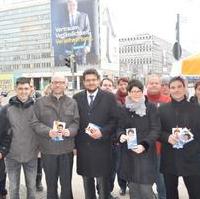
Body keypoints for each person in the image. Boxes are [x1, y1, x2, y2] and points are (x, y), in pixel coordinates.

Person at [31, 73, 79, 199]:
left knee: (66, 185)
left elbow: (76, 122)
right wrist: (48, 131)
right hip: (48, 150)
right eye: (55, 82)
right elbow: (35, 123)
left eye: (61, 82)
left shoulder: (72, 102)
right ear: (51, 84)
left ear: (65, 85)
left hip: (66, 150)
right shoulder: (40, 103)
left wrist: (70, 131)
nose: (58, 85)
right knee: (51, 185)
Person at [73, 69, 117, 199]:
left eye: (93, 80)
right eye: (88, 80)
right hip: (84, 147)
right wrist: (74, 145)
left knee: (103, 183)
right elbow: (74, 121)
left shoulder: (109, 97)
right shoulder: (77, 98)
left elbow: (114, 120)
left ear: (98, 80)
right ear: (83, 82)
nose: (91, 82)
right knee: (87, 182)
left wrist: (102, 132)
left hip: (102, 146)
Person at [158, 76, 200, 199]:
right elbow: (157, 131)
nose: (176, 90)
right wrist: (167, 137)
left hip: (192, 158)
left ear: (185, 88)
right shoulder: (162, 110)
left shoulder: (196, 109)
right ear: (169, 90)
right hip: (170, 156)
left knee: (196, 193)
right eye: (173, 87)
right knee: (170, 194)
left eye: (179, 87)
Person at [118, 79, 160, 199]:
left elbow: (155, 129)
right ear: (129, 93)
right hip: (129, 154)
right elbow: (119, 127)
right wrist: (121, 135)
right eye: (133, 91)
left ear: (143, 92)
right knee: (134, 190)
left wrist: (144, 145)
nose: (136, 93)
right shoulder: (124, 109)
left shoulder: (150, 107)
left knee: (146, 190)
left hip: (145, 153)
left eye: (139, 91)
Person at [2, 77, 39, 199]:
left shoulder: (37, 108)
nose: (23, 91)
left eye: (26, 88)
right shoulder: (6, 109)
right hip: (12, 156)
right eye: (20, 89)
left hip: (31, 156)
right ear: (15, 90)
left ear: (31, 89)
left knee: (32, 188)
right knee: (13, 189)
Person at [146, 74, 171, 199]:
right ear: (147, 85)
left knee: (161, 178)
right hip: (144, 146)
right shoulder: (141, 99)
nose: (154, 85)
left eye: (156, 83)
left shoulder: (167, 100)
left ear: (161, 85)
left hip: (161, 147)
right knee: (144, 179)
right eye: (151, 83)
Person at [54, 0, 92, 66]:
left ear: (77, 6)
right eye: (70, 5)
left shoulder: (83, 16)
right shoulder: (62, 18)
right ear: (67, 6)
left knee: (81, 72)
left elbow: (88, 32)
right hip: (67, 52)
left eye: (73, 5)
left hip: (81, 50)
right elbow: (57, 34)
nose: (72, 7)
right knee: (68, 71)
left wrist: (88, 46)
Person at [100, 78, 119, 199]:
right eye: (105, 85)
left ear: (113, 87)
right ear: (101, 86)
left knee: (113, 171)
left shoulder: (118, 103)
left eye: (109, 85)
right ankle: (102, 193)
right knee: (101, 172)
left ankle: (108, 192)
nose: (107, 87)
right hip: (100, 142)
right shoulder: (97, 103)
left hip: (115, 143)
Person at [115, 77, 128, 196]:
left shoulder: (134, 95)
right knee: (120, 164)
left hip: (132, 135)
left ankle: (131, 184)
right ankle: (122, 186)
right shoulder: (114, 99)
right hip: (120, 135)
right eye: (121, 84)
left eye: (125, 84)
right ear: (118, 85)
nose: (123, 86)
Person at [30, 81, 44, 192]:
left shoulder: (39, 99)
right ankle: (30, 182)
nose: (29, 89)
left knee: (39, 161)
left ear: (33, 88)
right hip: (27, 136)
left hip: (39, 136)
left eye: (30, 86)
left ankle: (38, 181)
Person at [0, 98, 12, 199]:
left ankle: (2, 192)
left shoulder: (2, 114)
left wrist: (2, 151)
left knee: (1, 174)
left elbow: (7, 136)